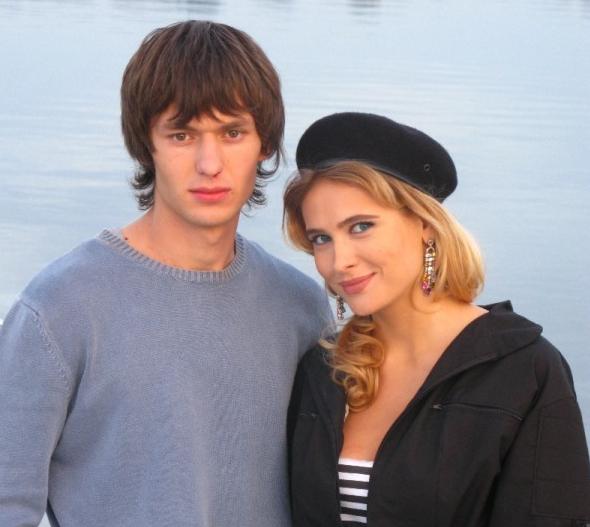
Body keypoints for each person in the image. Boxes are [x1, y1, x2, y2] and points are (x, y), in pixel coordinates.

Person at [0, 21, 329, 527]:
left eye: (233, 133)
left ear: (264, 144)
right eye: (181, 135)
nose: (209, 164)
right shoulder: (58, 310)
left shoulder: (301, 307)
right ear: (145, 145)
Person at [284, 112, 590, 526]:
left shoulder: (524, 371)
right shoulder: (324, 371)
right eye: (321, 238)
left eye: (360, 227)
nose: (339, 262)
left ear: (425, 225)